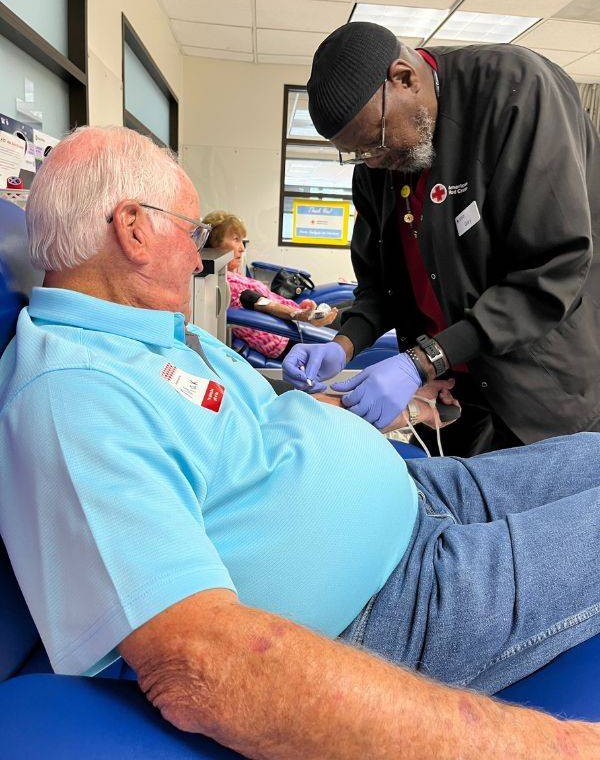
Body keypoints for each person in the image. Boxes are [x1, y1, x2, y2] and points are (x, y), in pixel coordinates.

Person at [1, 126, 599, 760]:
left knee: (592, 450)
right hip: (401, 601)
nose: (201, 256)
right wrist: (560, 746)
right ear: (133, 229)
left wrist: (362, 401)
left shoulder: (151, 338)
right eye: (193, 231)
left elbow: (252, 443)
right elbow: (202, 666)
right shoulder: (73, 395)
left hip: (422, 493)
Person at [283, 21, 600, 456]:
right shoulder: (380, 160)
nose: (372, 163)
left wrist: (422, 360)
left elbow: (552, 272)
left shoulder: (517, 92)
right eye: (357, 155)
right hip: (451, 387)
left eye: (375, 143)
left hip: (540, 388)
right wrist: (345, 342)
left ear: (405, 78)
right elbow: (384, 286)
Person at [203, 209, 338, 358]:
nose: (242, 248)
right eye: (236, 239)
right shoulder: (227, 284)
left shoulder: (231, 276)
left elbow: (268, 302)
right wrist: (302, 315)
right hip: (283, 338)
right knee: (350, 320)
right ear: (214, 244)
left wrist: (298, 307)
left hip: (288, 327)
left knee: (350, 313)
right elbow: (267, 305)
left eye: (242, 240)